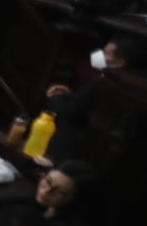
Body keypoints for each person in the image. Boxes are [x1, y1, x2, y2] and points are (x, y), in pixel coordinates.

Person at [44, 35, 147, 164]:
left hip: (86, 143)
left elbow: (70, 112)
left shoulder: (106, 83)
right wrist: (73, 96)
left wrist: (56, 96)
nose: (99, 55)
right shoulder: (136, 84)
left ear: (120, 63)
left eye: (105, 53)